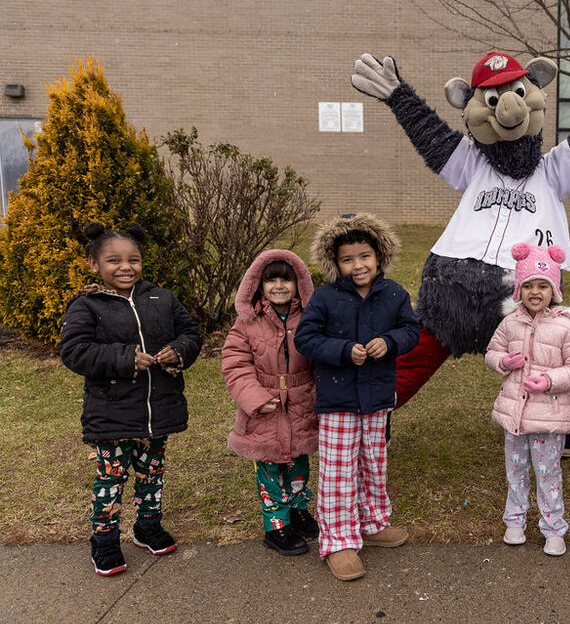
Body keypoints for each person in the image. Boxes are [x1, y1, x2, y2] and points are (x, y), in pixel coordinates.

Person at [59, 222, 203, 576]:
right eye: (114, 260)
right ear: (94, 264)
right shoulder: (87, 305)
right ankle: (105, 541)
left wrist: (179, 350)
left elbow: (191, 333)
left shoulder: (162, 298)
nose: (125, 267)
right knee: (111, 479)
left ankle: (147, 526)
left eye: (133, 259)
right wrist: (125, 358)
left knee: (152, 474)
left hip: (158, 411)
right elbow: (74, 351)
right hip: (111, 414)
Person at [295, 213, 420, 581]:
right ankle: (338, 541)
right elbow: (306, 339)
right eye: (347, 259)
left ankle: (372, 522)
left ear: (379, 255)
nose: (357, 265)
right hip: (338, 400)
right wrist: (343, 350)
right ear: (335, 263)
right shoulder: (325, 297)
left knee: (372, 463)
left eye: (364, 256)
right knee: (338, 472)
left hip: (378, 397)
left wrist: (391, 341)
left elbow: (411, 331)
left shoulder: (394, 294)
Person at [484, 243, 570, 557]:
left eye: (542, 285)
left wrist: (549, 381)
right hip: (515, 415)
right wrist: (504, 362)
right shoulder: (510, 323)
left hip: (549, 417)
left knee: (548, 474)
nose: (535, 291)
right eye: (528, 285)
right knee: (515, 470)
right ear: (519, 289)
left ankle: (554, 529)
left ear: (554, 290)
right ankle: (514, 521)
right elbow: (492, 353)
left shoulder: (566, 327)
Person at [221, 249, 320, 557]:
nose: (279, 286)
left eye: (287, 279)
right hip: (265, 408)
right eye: (271, 280)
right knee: (270, 469)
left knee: (299, 462)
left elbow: (320, 355)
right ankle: (276, 525)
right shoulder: (248, 322)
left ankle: (298, 511)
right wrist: (255, 398)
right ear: (258, 285)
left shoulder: (310, 318)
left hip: (301, 405)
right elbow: (235, 363)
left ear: (299, 283)